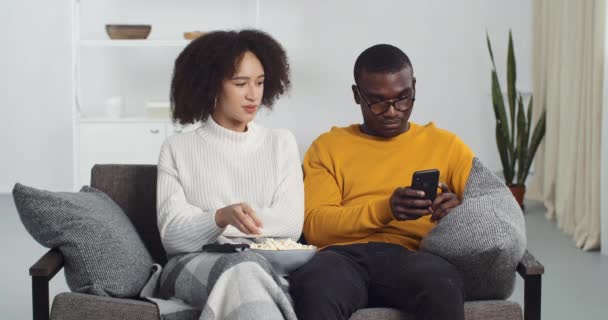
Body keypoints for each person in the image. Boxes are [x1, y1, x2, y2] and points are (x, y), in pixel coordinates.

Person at [289, 44, 474, 320]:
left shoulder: (447, 145)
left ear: (413, 87)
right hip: (342, 258)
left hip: (413, 256)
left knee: (441, 284)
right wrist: (385, 210)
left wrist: (457, 211)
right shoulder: (328, 147)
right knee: (316, 286)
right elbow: (315, 227)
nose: (392, 111)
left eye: (403, 98)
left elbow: (488, 206)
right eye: (377, 101)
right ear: (356, 95)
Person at [151, 29, 302, 320]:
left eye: (259, 82)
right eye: (240, 83)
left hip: (265, 265)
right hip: (191, 266)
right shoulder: (177, 147)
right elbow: (172, 237)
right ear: (211, 86)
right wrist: (220, 216)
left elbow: (290, 226)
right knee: (243, 268)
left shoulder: (281, 142)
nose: (253, 94)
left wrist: (211, 228)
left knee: (247, 267)